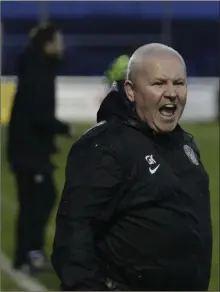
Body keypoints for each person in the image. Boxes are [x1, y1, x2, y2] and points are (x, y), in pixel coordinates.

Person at [51, 43, 212, 291]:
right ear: (131, 91)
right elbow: (74, 233)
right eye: (159, 83)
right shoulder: (106, 146)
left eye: (178, 83)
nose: (172, 93)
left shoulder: (184, 144)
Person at [7, 23, 73, 273]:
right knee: (38, 200)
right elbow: (38, 114)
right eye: (58, 40)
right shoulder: (38, 72)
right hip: (28, 152)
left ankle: (28, 254)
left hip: (31, 149)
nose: (62, 45)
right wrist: (63, 129)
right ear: (47, 45)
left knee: (39, 199)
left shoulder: (38, 68)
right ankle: (26, 256)